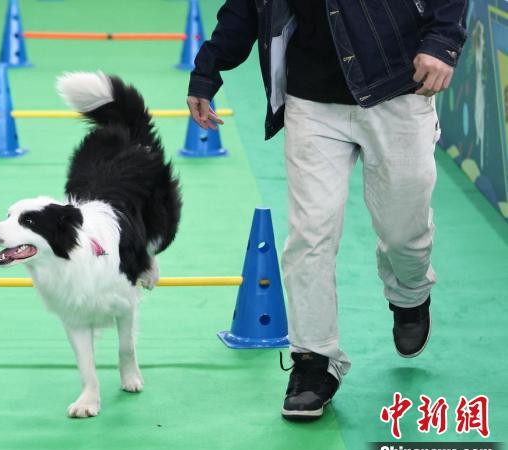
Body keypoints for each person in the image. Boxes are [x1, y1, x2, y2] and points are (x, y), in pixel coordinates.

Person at [186, 0, 467, 420]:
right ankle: (314, 362)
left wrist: (443, 41)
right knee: (309, 234)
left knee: (402, 232)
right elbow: (247, 7)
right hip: (310, 98)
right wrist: (207, 71)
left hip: (396, 85)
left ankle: (409, 292)